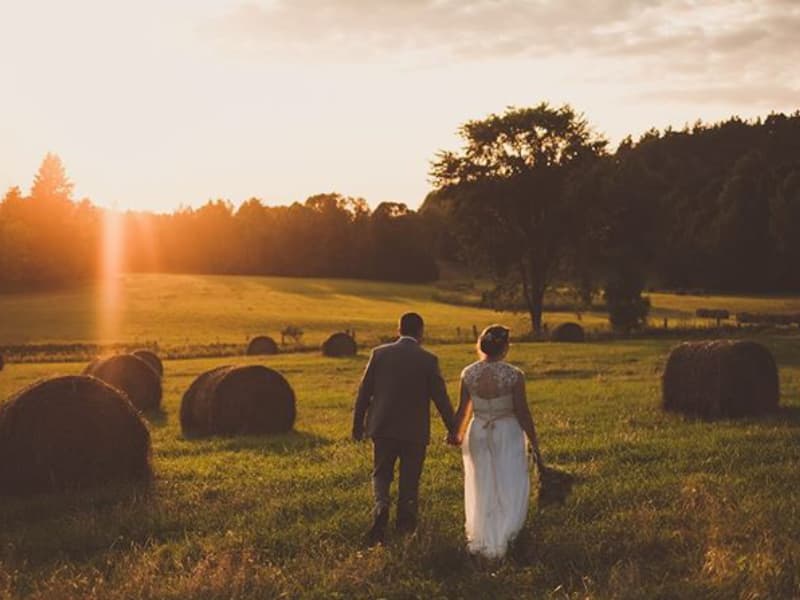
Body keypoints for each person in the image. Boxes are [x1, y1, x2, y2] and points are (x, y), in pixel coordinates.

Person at [352, 312, 456, 546]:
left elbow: (364, 392)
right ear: (420, 332)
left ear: (398, 329)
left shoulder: (379, 354)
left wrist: (357, 425)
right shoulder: (428, 360)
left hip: (383, 426)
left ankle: (381, 505)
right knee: (410, 479)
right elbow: (441, 398)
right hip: (414, 431)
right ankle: (406, 526)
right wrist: (453, 429)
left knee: (381, 472)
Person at [449, 324, 544, 559]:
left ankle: (482, 537)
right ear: (505, 347)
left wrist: (455, 433)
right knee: (510, 481)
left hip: (478, 431)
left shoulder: (468, 373)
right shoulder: (514, 375)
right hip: (507, 430)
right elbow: (522, 412)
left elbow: (463, 410)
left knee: (482, 483)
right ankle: (507, 535)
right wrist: (534, 440)